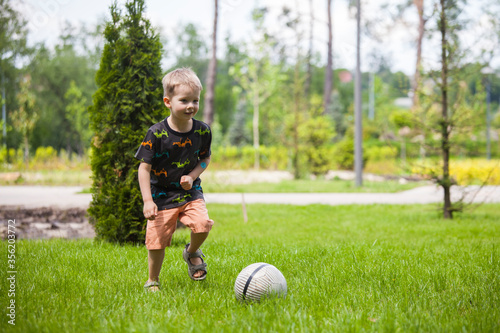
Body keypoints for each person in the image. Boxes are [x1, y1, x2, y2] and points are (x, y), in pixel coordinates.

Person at [135, 67, 214, 292]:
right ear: (168, 102)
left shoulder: (202, 131)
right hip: (161, 196)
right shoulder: (156, 133)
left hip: (190, 193)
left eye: (195, 100)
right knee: (156, 240)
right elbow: (144, 169)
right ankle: (153, 280)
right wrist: (148, 201)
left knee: (202, 225)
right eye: (184, 100)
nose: (191, 106)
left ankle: (191, 253)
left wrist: (192, 175)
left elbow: (206, 158)